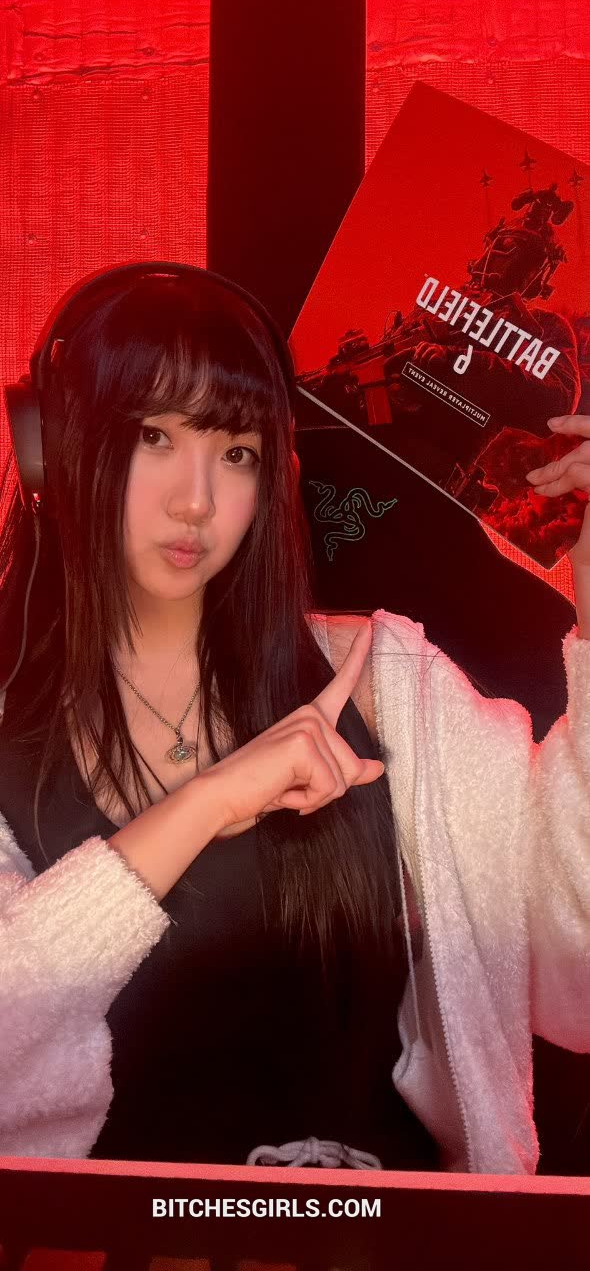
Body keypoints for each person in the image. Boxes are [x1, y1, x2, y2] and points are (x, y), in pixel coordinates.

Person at [0, 265, 589, 1175]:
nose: (197, 500)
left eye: (237, 452)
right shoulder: (10, 730)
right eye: (154, 436)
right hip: (130, 1238)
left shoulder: (391, 686)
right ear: (52, 450)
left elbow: (575, 973)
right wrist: (208, 803)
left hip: (379, 1229)